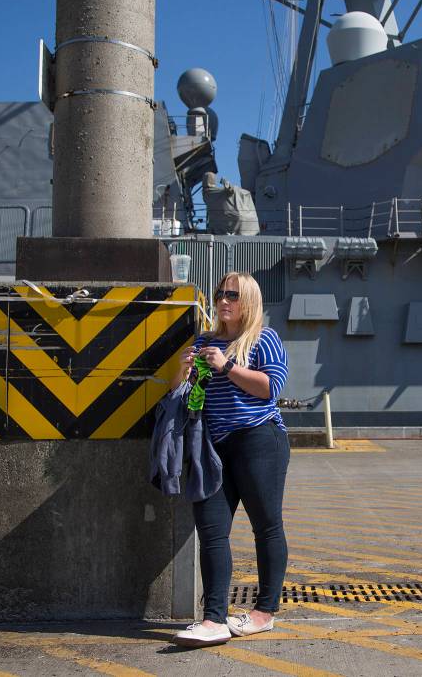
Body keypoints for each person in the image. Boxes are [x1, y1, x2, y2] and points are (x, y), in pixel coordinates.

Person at [171, 272, 290, 647]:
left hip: (258, 439)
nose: (224, 300)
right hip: (212, 444)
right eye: (221, 294)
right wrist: (183, 372)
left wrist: (226, 366)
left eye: (233, 295)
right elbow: (183, 392)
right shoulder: (204, 341)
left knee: (266, 525)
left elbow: (271, 387)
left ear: (249, 301)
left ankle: (264, 613)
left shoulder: (264, 339)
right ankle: (213, 619)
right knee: (211, 528)